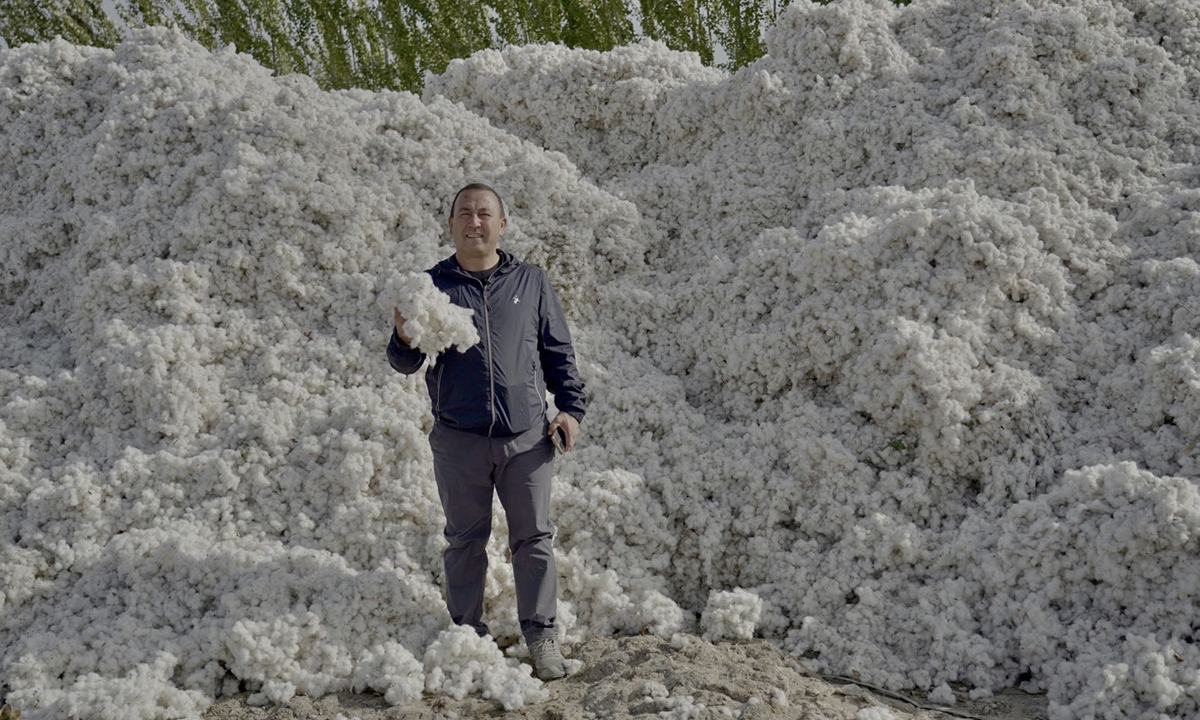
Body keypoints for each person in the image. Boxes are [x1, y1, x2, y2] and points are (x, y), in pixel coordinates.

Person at [386, 183, 586, 680]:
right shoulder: (431, 286)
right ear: (451, 224)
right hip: (459, 439)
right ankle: (466, 637)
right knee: (464, 540)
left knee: (534, 538)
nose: (474, 222)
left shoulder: (532, 281)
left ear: (502, 224)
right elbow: (405, 363)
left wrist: (571, 410)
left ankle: (542, 638)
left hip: (526, 439)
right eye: (464, 214)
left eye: (484, 214)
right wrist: (404, 336)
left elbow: (558, 353)